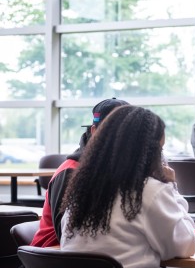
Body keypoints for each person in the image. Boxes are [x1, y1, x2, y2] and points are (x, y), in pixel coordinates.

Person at [60, 106, 195, 268]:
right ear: (148, 152)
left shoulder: (83, 188)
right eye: (159, 150)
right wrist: (171, 187)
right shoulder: (149, 190)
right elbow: (186, 246)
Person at [31, 97, 129, 247]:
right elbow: (66, 235)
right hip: (52, 261)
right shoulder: (70, 172)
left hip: (91, 256)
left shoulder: (113, 169)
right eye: (115, 130)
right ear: (94, 131)